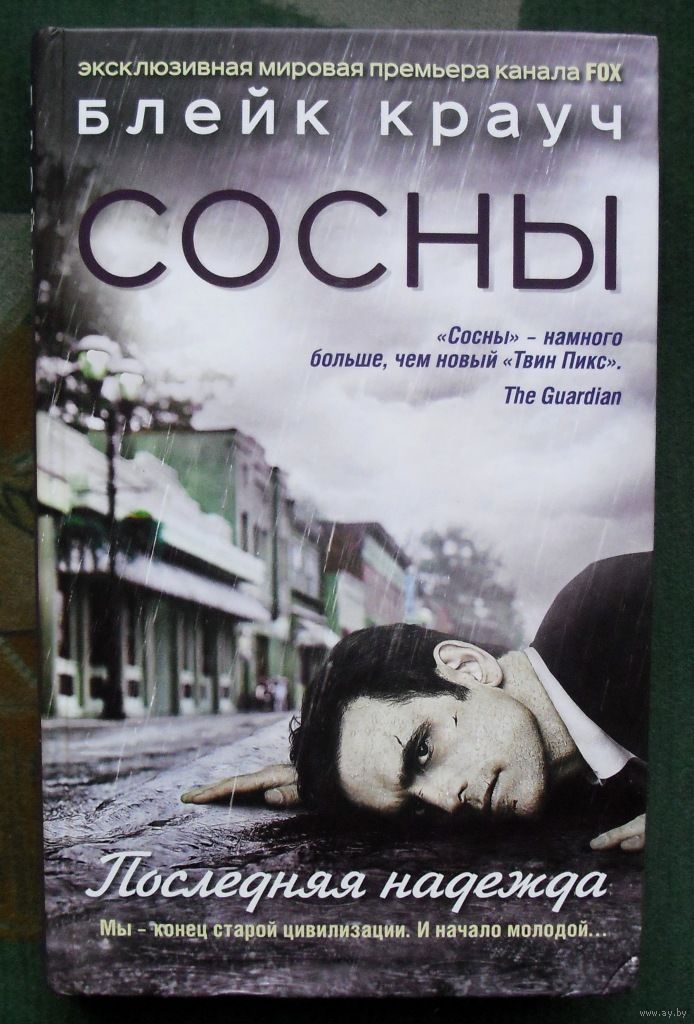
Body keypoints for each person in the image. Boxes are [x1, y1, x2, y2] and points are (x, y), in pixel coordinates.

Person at [182, 552, 651, 853]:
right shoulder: (573, 753)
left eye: (422, 751)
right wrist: (349, 782)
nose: (446, 801)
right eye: (417, 808)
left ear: (468, 667)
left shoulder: (617, 613)